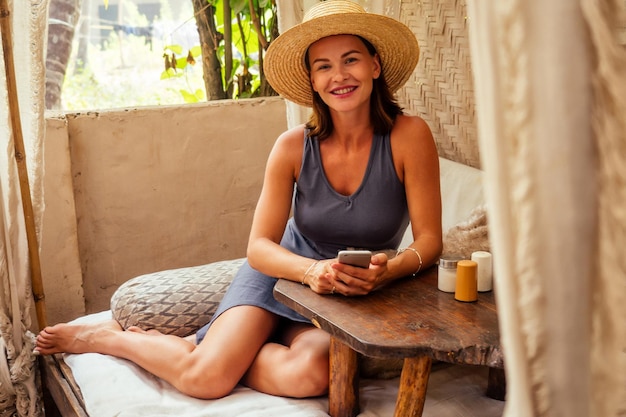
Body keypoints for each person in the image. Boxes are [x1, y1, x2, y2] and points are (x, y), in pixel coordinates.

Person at [35, 0, 442, 400]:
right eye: (324, 66)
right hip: (284, 275)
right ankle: (113, 340)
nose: (339, 75)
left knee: (311, 377)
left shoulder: (410, 136)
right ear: (313, 81)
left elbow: (429, 241)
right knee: (204, 380)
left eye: (350, 60)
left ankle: (204, 351)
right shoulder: (291, 147)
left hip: (350, 293)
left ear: (374, 66)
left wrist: (386, 270)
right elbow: (259, 248)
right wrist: (311, 271)